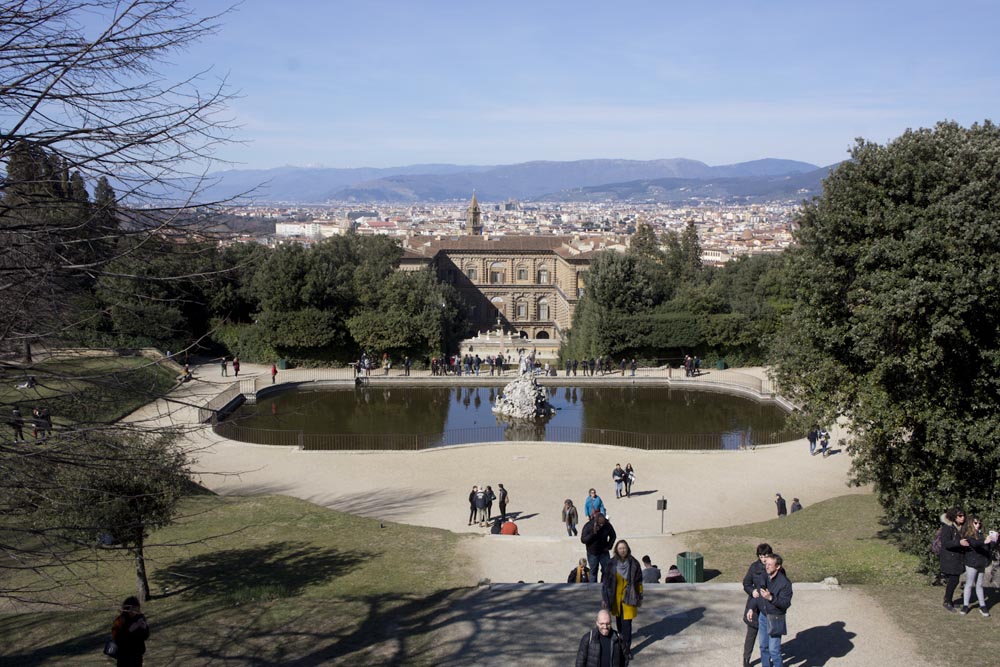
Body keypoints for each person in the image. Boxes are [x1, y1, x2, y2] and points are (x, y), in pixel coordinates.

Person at [602, 539, 643, 661]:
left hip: (629, 597)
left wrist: (640, 596)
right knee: (619, 623)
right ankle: (622, 641)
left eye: (624, 548)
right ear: (616, 550)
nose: (622, 550)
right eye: (620, 548)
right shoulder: (611, 563)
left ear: (627, 549)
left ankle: (626, 649)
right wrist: (604, 598)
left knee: (627, 625)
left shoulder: (634, 563)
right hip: (615, 598)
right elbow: (605, 582)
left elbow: (639, 581)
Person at [752, 553, 792, 667]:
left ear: (778, 566)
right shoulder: (764, 576)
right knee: (763, 647)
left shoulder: (785, 583)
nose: (767, 566)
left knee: (774, 651)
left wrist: (770, 598)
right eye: (766, 564)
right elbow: (758, 595)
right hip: (763, 616)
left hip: (775, 618)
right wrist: (752, 608)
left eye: (770, 564)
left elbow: (785, 604)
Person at [741, 543, 773, 667]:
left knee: (769, 635)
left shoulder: (774, 567)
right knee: (751, 634)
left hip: (769, 605)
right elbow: (746, 583)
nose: (763, 559)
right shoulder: (754, 567)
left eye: (765, 555)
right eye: (761, 556)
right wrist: (751, 591)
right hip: (755, 604)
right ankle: (746, 659)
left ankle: (768, 659)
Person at [960, 515, 995, 616]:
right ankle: (965, 605)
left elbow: (989, 547)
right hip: (971, 562)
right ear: (971, 523)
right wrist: (984, 541)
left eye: (979, 523)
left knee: (979, 585)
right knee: (969, 584)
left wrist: (993, 540)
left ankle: (982, 605)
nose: (978, 525)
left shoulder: (982, 534)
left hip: (981, 563)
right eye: (975, 523)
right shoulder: (968, 535)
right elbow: (974, 543)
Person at [938, 506, 968, 613]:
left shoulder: (962, 527)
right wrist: (959, 543)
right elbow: (946, 543)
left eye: (963, 515)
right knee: (954, 579)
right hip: (949, 558)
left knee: (955, 579)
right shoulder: (948, 527)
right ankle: (947, 601)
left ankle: (949, 600)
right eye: (960, 516)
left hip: (958, 558)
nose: (962, 518)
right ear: (954, 516)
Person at [111, 595, 149, 667]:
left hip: (137, 654)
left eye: (137, 610)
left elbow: (145, 636)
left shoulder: (140, 618)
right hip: (124, 655)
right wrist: (129, 630)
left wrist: (145, 628)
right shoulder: (120, 620)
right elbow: (116, 637)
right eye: (133, 609)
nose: (135, 612)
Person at [581, 510, 616, 583]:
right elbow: (583, 540)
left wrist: (609, 546)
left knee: (607, 570)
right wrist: (593, 533)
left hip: (604, 551)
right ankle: (593, 589)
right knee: (593, 571)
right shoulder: (589, 525)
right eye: (600, 524)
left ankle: (604, 586)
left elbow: (613, 535)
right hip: (592, 553)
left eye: (603, 523)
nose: (602, 525)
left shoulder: (607, 524)